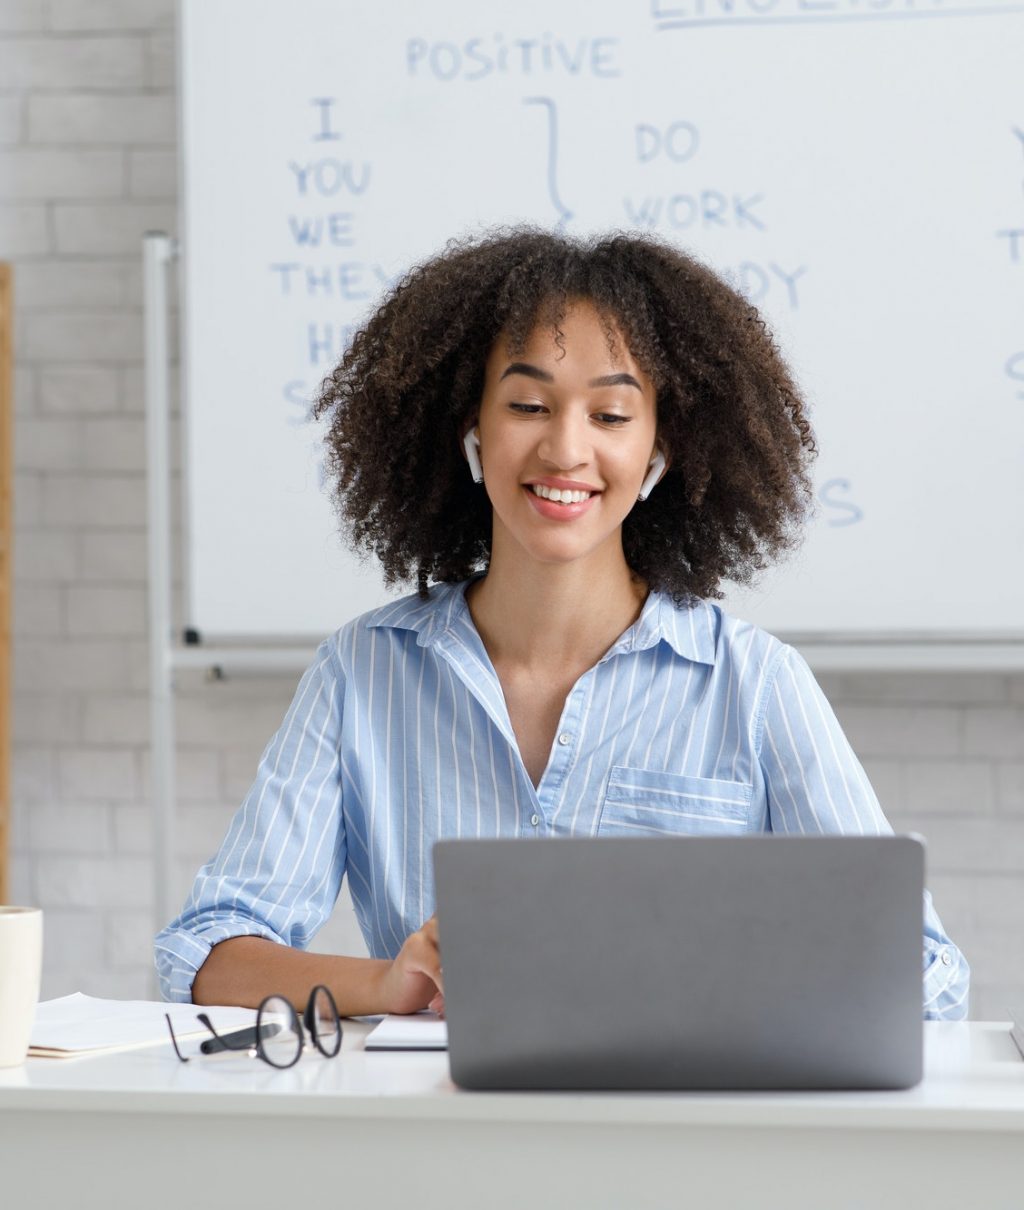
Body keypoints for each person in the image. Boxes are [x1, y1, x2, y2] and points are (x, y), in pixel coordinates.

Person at [155, 228, 968, 1019]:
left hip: (677, 1138)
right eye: (528, 404)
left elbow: (925, 975)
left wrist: (719, 987)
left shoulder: (753, 683)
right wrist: (385, 983)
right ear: (471, 427)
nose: (566, 449)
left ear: (661, 450)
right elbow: (204, 949)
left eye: (611, 416)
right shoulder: (362, 671)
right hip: (440, 1140)